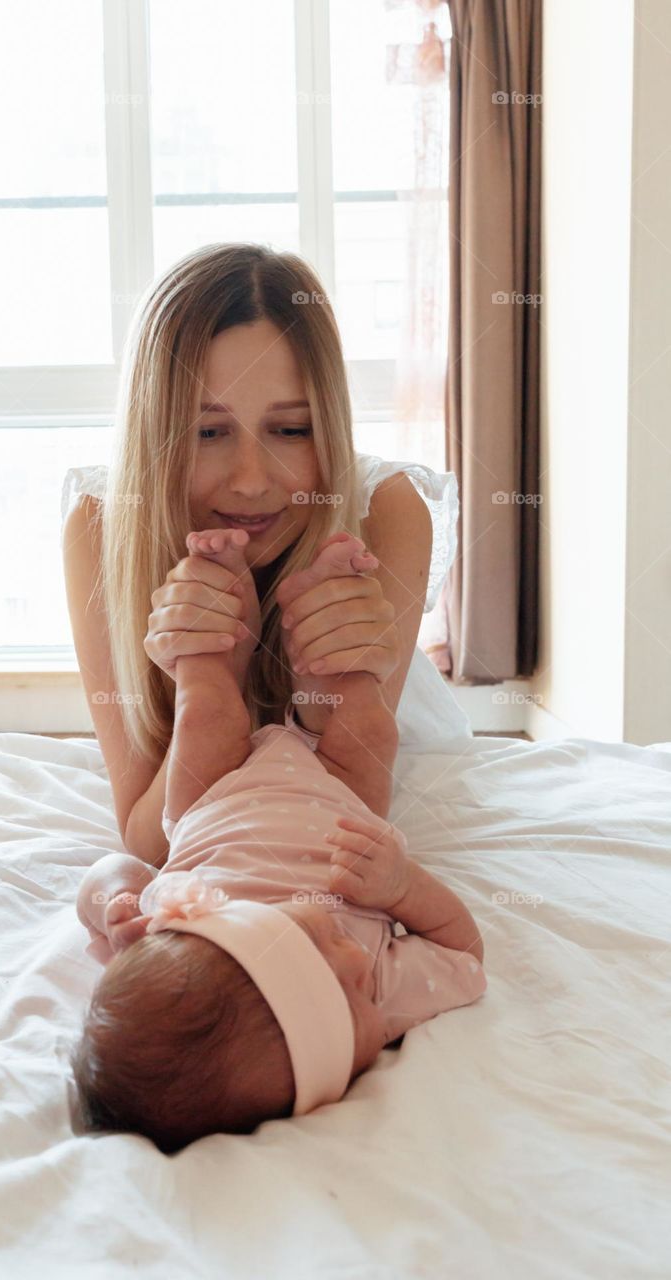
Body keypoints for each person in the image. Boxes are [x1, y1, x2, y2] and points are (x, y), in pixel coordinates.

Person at [70, 529, 487, 1155]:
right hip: (343, 798)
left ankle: (217, 611)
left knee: (206, 710)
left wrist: (112, 903)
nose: (354, 962)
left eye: (318, 945)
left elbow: (115, 864)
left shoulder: (174, 941)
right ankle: (320, 606)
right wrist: (403, 888)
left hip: (212, 799)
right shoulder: (380, 993)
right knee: (364, 721)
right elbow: (466, 954)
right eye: (351, 1003)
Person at [61, 242, 464, 872]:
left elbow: (346, 815)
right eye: (208, 432)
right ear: (155, 432)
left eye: (291, 430)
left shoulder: (383, 509)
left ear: (327, 422)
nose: (251, 480)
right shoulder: (102, 522)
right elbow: (150, 842)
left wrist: (330, 689)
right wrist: (211, 684)